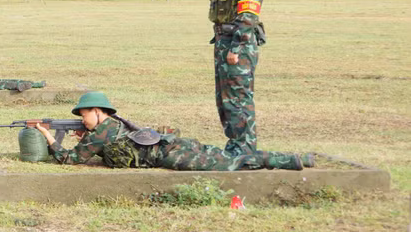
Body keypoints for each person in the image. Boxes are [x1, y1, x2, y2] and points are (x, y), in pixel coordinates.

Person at [34, 92, 313, 171]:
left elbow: (70, 160)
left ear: (97, 111)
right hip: (172, 144)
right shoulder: (111, 126)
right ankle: (288, 158)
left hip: (171, 154)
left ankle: (287, 161)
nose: (82, 121)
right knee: (225, 155)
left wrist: (48, 137)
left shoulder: (102, 131)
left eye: (83, 115)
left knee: (228, 163)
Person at [203, 0, 265, 157]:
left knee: (238, 99)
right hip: (224, 41)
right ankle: (235, 145)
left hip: (236, 44)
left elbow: (248, 15)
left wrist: (236, 48)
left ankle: (245, 147)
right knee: (225, 100)